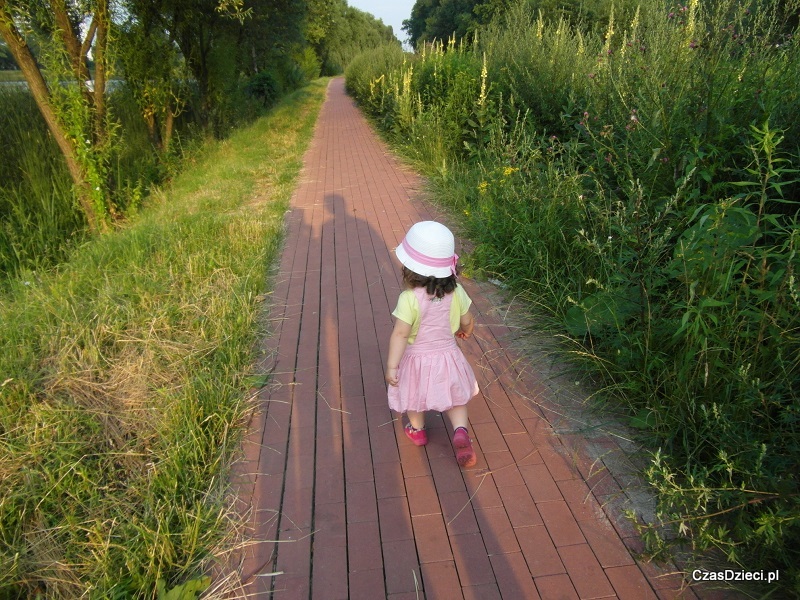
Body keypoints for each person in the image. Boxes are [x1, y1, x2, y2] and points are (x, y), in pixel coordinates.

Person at [385, 221, 479, 468]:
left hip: (417, 360)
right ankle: (460, 431)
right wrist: (466, 331)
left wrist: (392, 366)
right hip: (448, 355)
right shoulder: (456, 292)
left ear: (410, 268)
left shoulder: (408, 299)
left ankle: (418, 431)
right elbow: (467, 319)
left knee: (414, 396)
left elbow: (400, 335)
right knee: (456, 398)